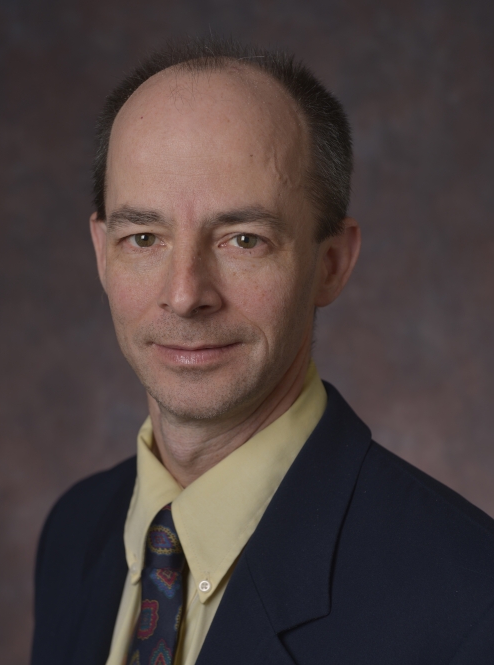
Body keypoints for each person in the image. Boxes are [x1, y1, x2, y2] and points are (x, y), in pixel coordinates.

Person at [31, 38, 494, 665]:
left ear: (331, 264)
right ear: (100, 252)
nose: (185, 293)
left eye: (243, 240)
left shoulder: (467, 599)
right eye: (143, 237)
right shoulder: (76, 533)